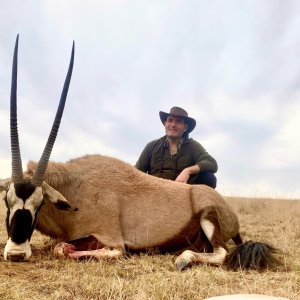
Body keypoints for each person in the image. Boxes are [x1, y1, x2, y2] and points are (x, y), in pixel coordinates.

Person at [135, 106, 218, 188]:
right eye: (170, 120)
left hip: (181, 194)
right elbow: (136, 172)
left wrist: (188, 171)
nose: (173, 125)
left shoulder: (193, 146)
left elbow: (211, 163)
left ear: (185, 127)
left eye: (178, 122)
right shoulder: (151, 146)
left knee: (208, 177)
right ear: (165, 123)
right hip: (155, 193)